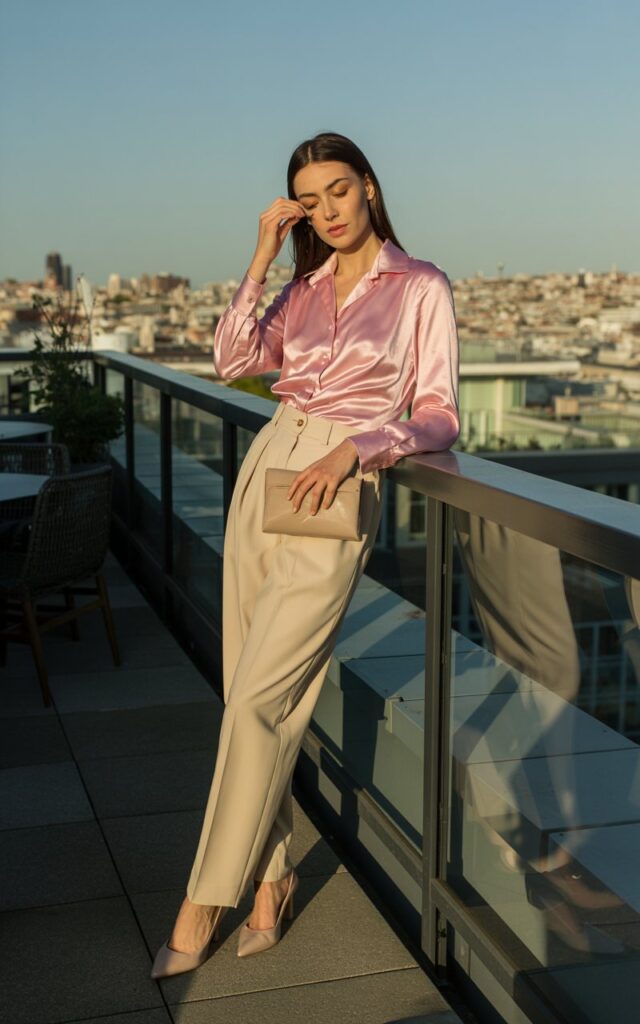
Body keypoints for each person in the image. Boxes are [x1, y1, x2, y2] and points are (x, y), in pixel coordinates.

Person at [151, 130, 460, 978]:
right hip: (268, 468)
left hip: (338, 485)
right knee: (250, 693)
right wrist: (261, 256)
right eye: (310, 200)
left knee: (260, 697)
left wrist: (359, 448)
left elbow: (440, 415)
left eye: (339, 191)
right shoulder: (302, 288)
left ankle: (202, 899)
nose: (328, 211)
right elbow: (231, 362)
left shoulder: (422, 286)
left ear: (369, 187)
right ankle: (273, 877)